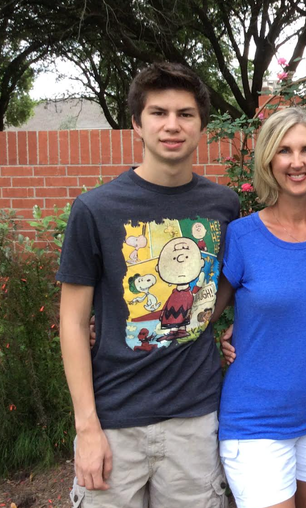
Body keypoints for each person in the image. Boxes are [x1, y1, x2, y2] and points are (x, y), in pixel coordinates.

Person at [57, 62, 239, 507]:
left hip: (194, 420)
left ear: (201, 125)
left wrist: (200, 321)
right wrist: (87, 428)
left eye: (186, 114)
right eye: (158, 113)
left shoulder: (224, 206)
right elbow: (74, 322)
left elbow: (233, 279)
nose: (172, 125)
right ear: (137, 123)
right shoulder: (96, 209)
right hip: (114, 419)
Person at [213, 107, 306, 508]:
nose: (297, 162)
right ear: (268, 160)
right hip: (256, 419)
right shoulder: (242, 236)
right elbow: (200, 318)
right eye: (284, 150)